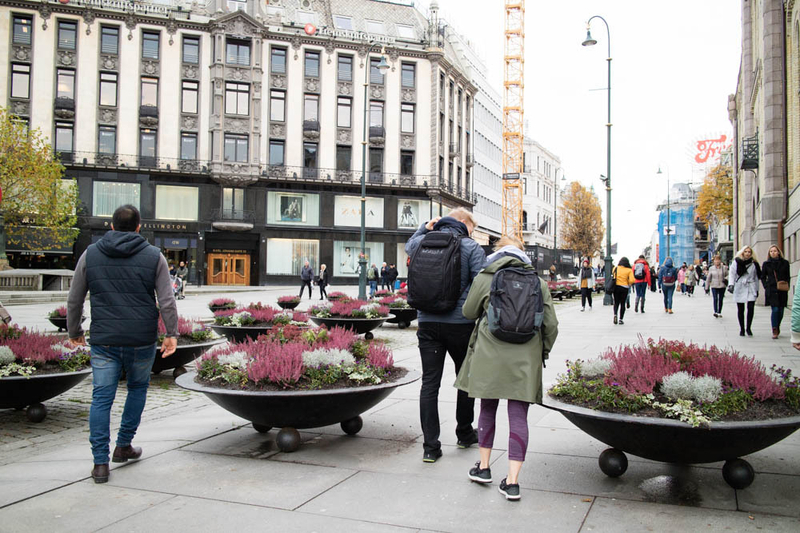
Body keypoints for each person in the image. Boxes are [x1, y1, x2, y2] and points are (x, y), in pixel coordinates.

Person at [66, 205, 178, 484]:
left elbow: (74, 298)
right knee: (138, 388)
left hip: (104, 340)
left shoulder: (90, 254)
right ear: (139, 227)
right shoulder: (154, 256)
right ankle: (123, 444)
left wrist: (74, 331)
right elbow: (167, 299)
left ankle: (100, 463)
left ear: (112, 226)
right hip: (140, 338)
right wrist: (171, 333)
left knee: (101, 398)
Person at [456, 236, 558, 501]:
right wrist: (541, 352)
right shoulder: (538, 283)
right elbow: (551, 326)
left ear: (497, 252)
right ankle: (512, 482)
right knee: (518, 417)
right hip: (525, 358)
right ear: (523, 255)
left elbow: (468, 312)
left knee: (487, 409)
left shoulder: (486, 276)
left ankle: (484, 468)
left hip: (489, 355)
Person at [405, 207, 486, 463]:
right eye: (471, 227)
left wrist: (424, 227)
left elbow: (409, 246)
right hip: (461, 324)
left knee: (430, 384)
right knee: (465, 379)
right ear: (462, 222)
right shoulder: (471, 247)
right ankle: (464, 433)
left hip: (427, 322)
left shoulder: (421, 242)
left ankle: (430, 447)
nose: (472, 232)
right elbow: (482, 284)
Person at [729, 246, 761, 337]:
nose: (747, 253)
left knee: (751, 308)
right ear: (742, 253)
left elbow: (756, 277)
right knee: (740, 309)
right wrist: (731, 285)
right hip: (740, 286)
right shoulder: (736, 262)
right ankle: (742, 329)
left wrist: (757, 289)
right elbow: (732, 274)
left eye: (749, 252)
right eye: (746, 251)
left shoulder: (754, 264)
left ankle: (748, 327)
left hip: (751, 286)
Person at [761, 245, 790, 339]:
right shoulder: (766, 264)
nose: (773, 252)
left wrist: (786, 284)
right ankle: (774, 329)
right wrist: (766, 286)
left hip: (782, 289)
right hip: (772, 289)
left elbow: (787, 275)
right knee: (775, 309)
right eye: (771, 251)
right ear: (769, 253)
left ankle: (777, 326)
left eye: (774, 251)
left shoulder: (785, 263)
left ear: (778, 252)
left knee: (781, 310)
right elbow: (763, 276)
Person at [612, 257, 636, 325]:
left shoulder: (615, 268)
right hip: (624, 288)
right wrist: (628, 283)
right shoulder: (629, 270)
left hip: (616, 287)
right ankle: (621, 319)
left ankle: (615, 314)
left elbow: (613, 277)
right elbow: (632, 280)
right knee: (623, 303)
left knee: (616, 302)